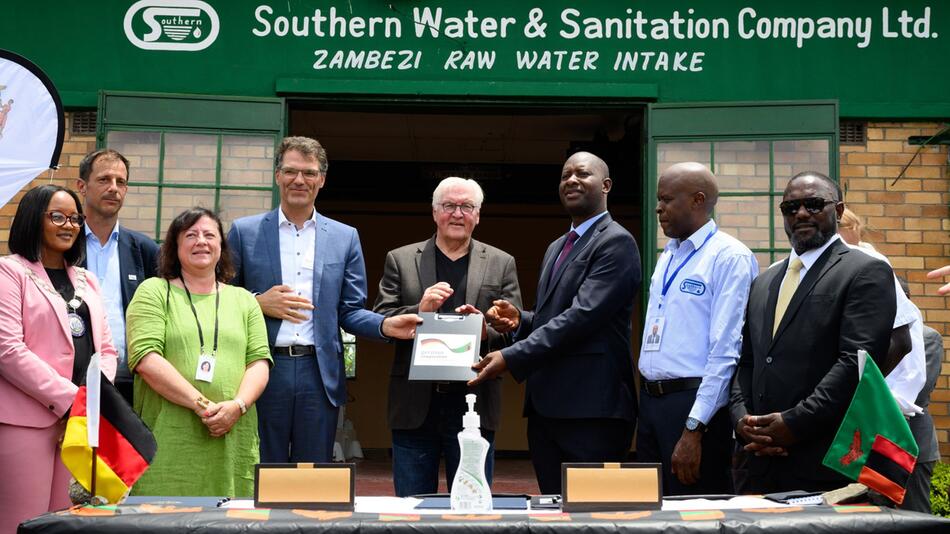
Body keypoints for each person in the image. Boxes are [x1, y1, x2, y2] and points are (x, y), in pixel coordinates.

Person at [227, 136, 421, 464]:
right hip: (260, 368)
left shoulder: (345, 237)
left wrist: (385, 325)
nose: (299, 180)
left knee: (312, 473)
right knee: (262, 467)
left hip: (319, 375)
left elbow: (350, 310)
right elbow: (220, 299)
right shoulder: (245, 232)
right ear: (277, 176)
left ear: (322, 180)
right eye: (290, 171)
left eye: (309, 172)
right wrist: (257, 302)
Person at [471, 151, 641, 495]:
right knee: (555, 513)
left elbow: (582, 317)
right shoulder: (557, 246)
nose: (572, 181)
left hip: (592, 412)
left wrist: (511, 356)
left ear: (606, 185)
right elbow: (555, 318)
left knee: (592, 514)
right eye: (565, 176)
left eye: (582, 174)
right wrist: (520, 320)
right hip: (547, 409)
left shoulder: (616, 242)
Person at [729, 171, 896, 493]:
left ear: (838, 210)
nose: (801, 213)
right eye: (791, 208)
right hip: (759, 461)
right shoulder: (765, 281)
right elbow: (747, 360)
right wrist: (743, 422)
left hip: (823, 459)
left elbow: (856, 364)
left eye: (813, 204)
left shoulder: (864, 271)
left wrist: (794, 423)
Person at [373, 177, 522, 497]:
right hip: (414, 404)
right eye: (449, 206)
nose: (457, 214)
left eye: (467, 206)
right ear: (434, 212)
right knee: (411, 507)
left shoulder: (501, 262)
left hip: (475, 401)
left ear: (478, 214)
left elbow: (515, 327)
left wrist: (486, 330)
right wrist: (420, 308)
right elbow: (381, 319)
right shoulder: (400, 259)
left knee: (472, 506)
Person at [126, 208, 271, 496]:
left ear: (221, 246)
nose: (200, 241)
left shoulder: (244, 300)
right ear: (175, 247)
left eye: (209, 235)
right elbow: (145, 358)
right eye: (190, 235)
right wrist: (203, 405)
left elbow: (259, 362)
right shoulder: (153, 291)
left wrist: (237, 406)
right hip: (168, 438)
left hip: (233, 436)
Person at [0, 185, 117, 532]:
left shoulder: (87, 280)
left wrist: (92, 401)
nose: (68, 225)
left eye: (75, 219)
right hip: (26, 422)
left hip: (80, 424)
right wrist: (72, 400)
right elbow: (8, 349)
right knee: (21, 522)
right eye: (57, 217)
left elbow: (107, 351)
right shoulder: (9, 272)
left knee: (66, 523)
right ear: (32, 220)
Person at [638, 162, 757, 496]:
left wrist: (694, 427)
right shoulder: (669, 254)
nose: (658, 207)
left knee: (693, 513)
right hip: (652, 403)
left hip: (694, 408)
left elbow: (725, 351)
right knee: (650, 510)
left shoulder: (729, 257)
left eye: (666, 199)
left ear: (698, 200)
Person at [77, 149, 159, 405]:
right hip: (73, 379)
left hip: (131, 382)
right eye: (104, 180)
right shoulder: (63, 245)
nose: (113, 188)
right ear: (82, 186)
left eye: (120, 182)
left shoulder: (145, 249)